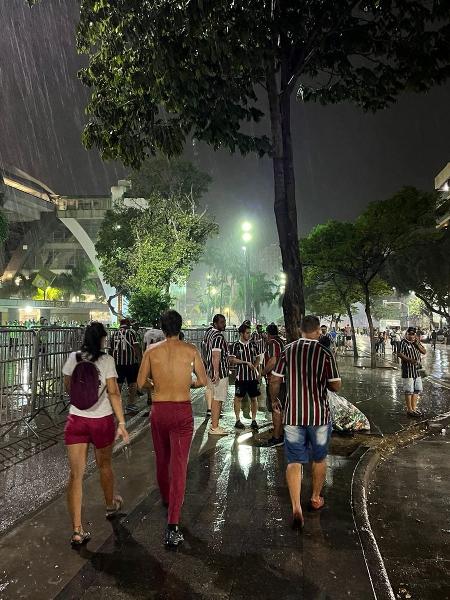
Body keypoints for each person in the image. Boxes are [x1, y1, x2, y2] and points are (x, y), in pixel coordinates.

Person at [137, 310, 207, 547]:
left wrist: (155, 384)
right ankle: (173, 522)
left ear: (161, 327)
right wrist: (189, 383)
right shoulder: (190, 350)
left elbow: (139, 383)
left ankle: (167, 498)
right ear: (180, 326)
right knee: (179, 466)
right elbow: (203, 380)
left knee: (162, 460)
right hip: (181, 410)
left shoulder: (151, 351)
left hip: (159, 409)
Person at [269, 315, 341, 529]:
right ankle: (315, 498)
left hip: (292, 416)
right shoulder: (325, 353)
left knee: (293, 461)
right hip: (319, 416)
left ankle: (295, 507)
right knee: (319, 459)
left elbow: (275, 379)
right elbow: (335, 386)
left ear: (300, 329)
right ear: (318, 330)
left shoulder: (288, 350)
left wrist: (275, 400)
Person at [63, 322, 129, 547]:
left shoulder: (74, 358)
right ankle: (110, 505)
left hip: (76, 420)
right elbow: (114, 392)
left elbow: (67, 386)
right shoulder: (107, 360)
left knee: (75, 476)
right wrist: (121, 422)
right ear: (102, 339)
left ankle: (77, 530)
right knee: (105, 465)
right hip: (101, 421)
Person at [202, 314, 230, 435]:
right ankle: (215, 427)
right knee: (218, 399)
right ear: (215, 323)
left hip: (210, 370)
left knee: (214, 398)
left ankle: (214, 424)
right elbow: (216, 355)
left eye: (224, 322)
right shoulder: (218, 336)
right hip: (219, 373)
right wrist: (217, 372)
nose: (224, 324)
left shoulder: (208, 333)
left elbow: (204, 351)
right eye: (222, 322)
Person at [229, 322, 261, 431]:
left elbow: (258, 358)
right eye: (247, 333)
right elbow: (232, 360)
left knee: (254, 398)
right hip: (241, 377)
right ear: (241, 333)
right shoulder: (235, 346)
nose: (249, 335)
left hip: (252, 378)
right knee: (238, 398)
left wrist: (255, 367)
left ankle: (254, 420)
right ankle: (237, 420)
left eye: (250, 333)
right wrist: (246, 362)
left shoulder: (253, 345)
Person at [110, 318, 142, 414]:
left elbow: (111, 349)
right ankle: (130, 405)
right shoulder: (131, 333)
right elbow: (136, 347)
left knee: (118, 384)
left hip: (118, 363)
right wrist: (140, 359)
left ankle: (116, 405)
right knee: (132, 383)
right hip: (131, 363)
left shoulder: (114, 334)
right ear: (128, 324)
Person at [262, 323, 285, 447]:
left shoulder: (272, 343)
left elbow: (273, 360)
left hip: (275, 381)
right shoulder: (282, 342)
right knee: (281, 408)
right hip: (284, 380)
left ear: (268, 333)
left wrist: (263, 372)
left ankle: (277, 437)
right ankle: (280, 433)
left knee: (275, 407)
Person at [397, 326, 427, 417]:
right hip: (408, 370)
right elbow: (400, 353)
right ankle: (409, 410)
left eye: (413, 334)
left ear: (415, 334)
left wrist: (417, 344)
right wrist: (410, 360)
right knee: (409, 390)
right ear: (407, 334)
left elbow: (424, 351)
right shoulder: (403, 342)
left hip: (417, 371)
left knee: (417, 390)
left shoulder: (416, 342)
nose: (411, 336)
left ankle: (414, 408)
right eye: (409, 334)